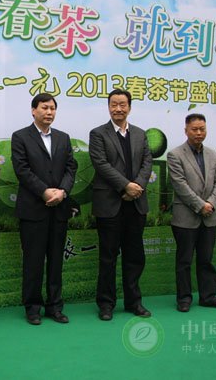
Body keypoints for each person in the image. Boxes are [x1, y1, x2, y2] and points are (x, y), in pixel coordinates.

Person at [11, 93, 77, 325]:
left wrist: (62, 191)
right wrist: (45, 191)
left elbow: (71, 168)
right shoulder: (20, 137)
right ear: (33, 110)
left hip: (59, 210)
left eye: (52, 108)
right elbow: (22, 170)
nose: (49, 112)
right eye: (44, 108)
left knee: (56, 261)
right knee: (33, 261)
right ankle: (32, 308)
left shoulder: (63, 138)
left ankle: (55, 307)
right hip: (33, 210)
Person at [89, 89, 152, 321]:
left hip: (136, 204)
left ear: (129, 107)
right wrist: (126, 186)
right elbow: (101, 164)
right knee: (108, 257)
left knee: (135, 256)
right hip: (110, 204)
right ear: (108, 107)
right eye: (114, 104)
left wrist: (137, 187)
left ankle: (134, 302)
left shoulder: (140, 134)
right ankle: (106, 304)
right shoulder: (98, 134)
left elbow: (147, 162)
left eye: (122, 104)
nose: (118, 109)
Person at [167, 113, 216, 313]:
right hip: (186, 217)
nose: (198, 133)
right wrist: (200, 205)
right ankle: (184, 298)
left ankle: (208, 296)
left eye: (202, 129)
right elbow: (180, 185)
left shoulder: (213, 155)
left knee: (206, 260)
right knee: (184, 261)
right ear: (186, 130)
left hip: (209, 216)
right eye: (194, 129)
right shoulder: (175, 154)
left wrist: (210, 203)